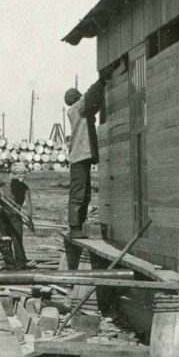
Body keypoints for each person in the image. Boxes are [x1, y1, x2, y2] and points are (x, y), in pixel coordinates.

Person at [63, 80, 103, 270]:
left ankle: (79, 225)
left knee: (85, 192)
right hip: (79, 157)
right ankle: (74, 228)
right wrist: (102, 80)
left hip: (83, 156)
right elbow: (90, 96)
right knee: (78, 192)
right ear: (76, 99)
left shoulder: (78, 111)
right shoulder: (77, 109)